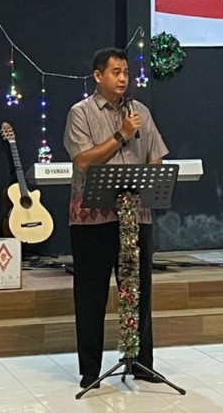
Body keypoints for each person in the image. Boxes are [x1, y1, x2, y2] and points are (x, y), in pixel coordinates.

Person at [63, 47, 169, 389]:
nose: (123, 79)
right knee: (91, 295)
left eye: (126, 72)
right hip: (92, 220)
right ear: (98, 76)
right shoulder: (80, 113)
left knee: (138, 292)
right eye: (116, 72)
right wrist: (122, 134)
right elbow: (83, 160)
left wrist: (150, 178)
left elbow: (155, 157)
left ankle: (142, 364)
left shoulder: (141, 112)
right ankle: (90, 370)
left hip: (135, 217)